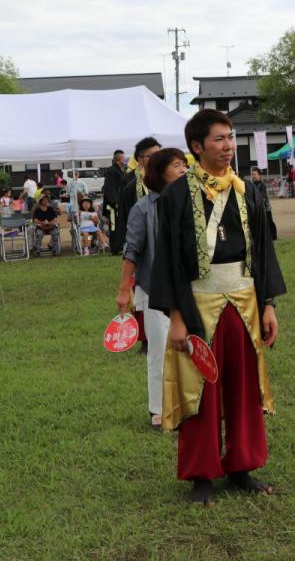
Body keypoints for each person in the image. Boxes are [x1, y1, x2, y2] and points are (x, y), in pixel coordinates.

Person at [150, 109, 284, 505]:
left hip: (245, 301)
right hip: (197, 306)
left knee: (244, 388)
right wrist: (176, 317)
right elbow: (169, 258)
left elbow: (264, 250)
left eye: (230, 137)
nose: (228, 146)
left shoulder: (248, 190)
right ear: (197, 146)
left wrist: (268, 305)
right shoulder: (175, 195)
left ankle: (242, 467)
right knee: (201, 391)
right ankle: (202, 475)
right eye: (219, 139)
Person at [118, 148, 188, 429]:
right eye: (177, 165)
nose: (183, 169)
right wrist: (124, 290)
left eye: (184, 165)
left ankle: (189, 403)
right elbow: (132, 250)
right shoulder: (143, 208)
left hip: (190, 287)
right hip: (155, 288)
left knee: (191, 348)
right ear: (160, 173)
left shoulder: (192, 202)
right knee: (160, 350)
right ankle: (159, 409)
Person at [112, 137, 160, 255]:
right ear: (140, 159)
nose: (157, 159)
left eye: (159, 154)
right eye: (151, 156)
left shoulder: (168, 178)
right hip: (141, 236)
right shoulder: (129, 182)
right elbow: (125, 215)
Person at [101, 150, 130, 240]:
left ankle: (120, 243)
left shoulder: (120, 170)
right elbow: (109, 188)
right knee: (114, 225)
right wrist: (115, 202)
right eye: (123, 158)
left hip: (120, 202)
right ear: (119, 159)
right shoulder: (112, 171)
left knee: (120, 225)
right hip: (113, 204)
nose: (124, 160)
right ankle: (115, 245)